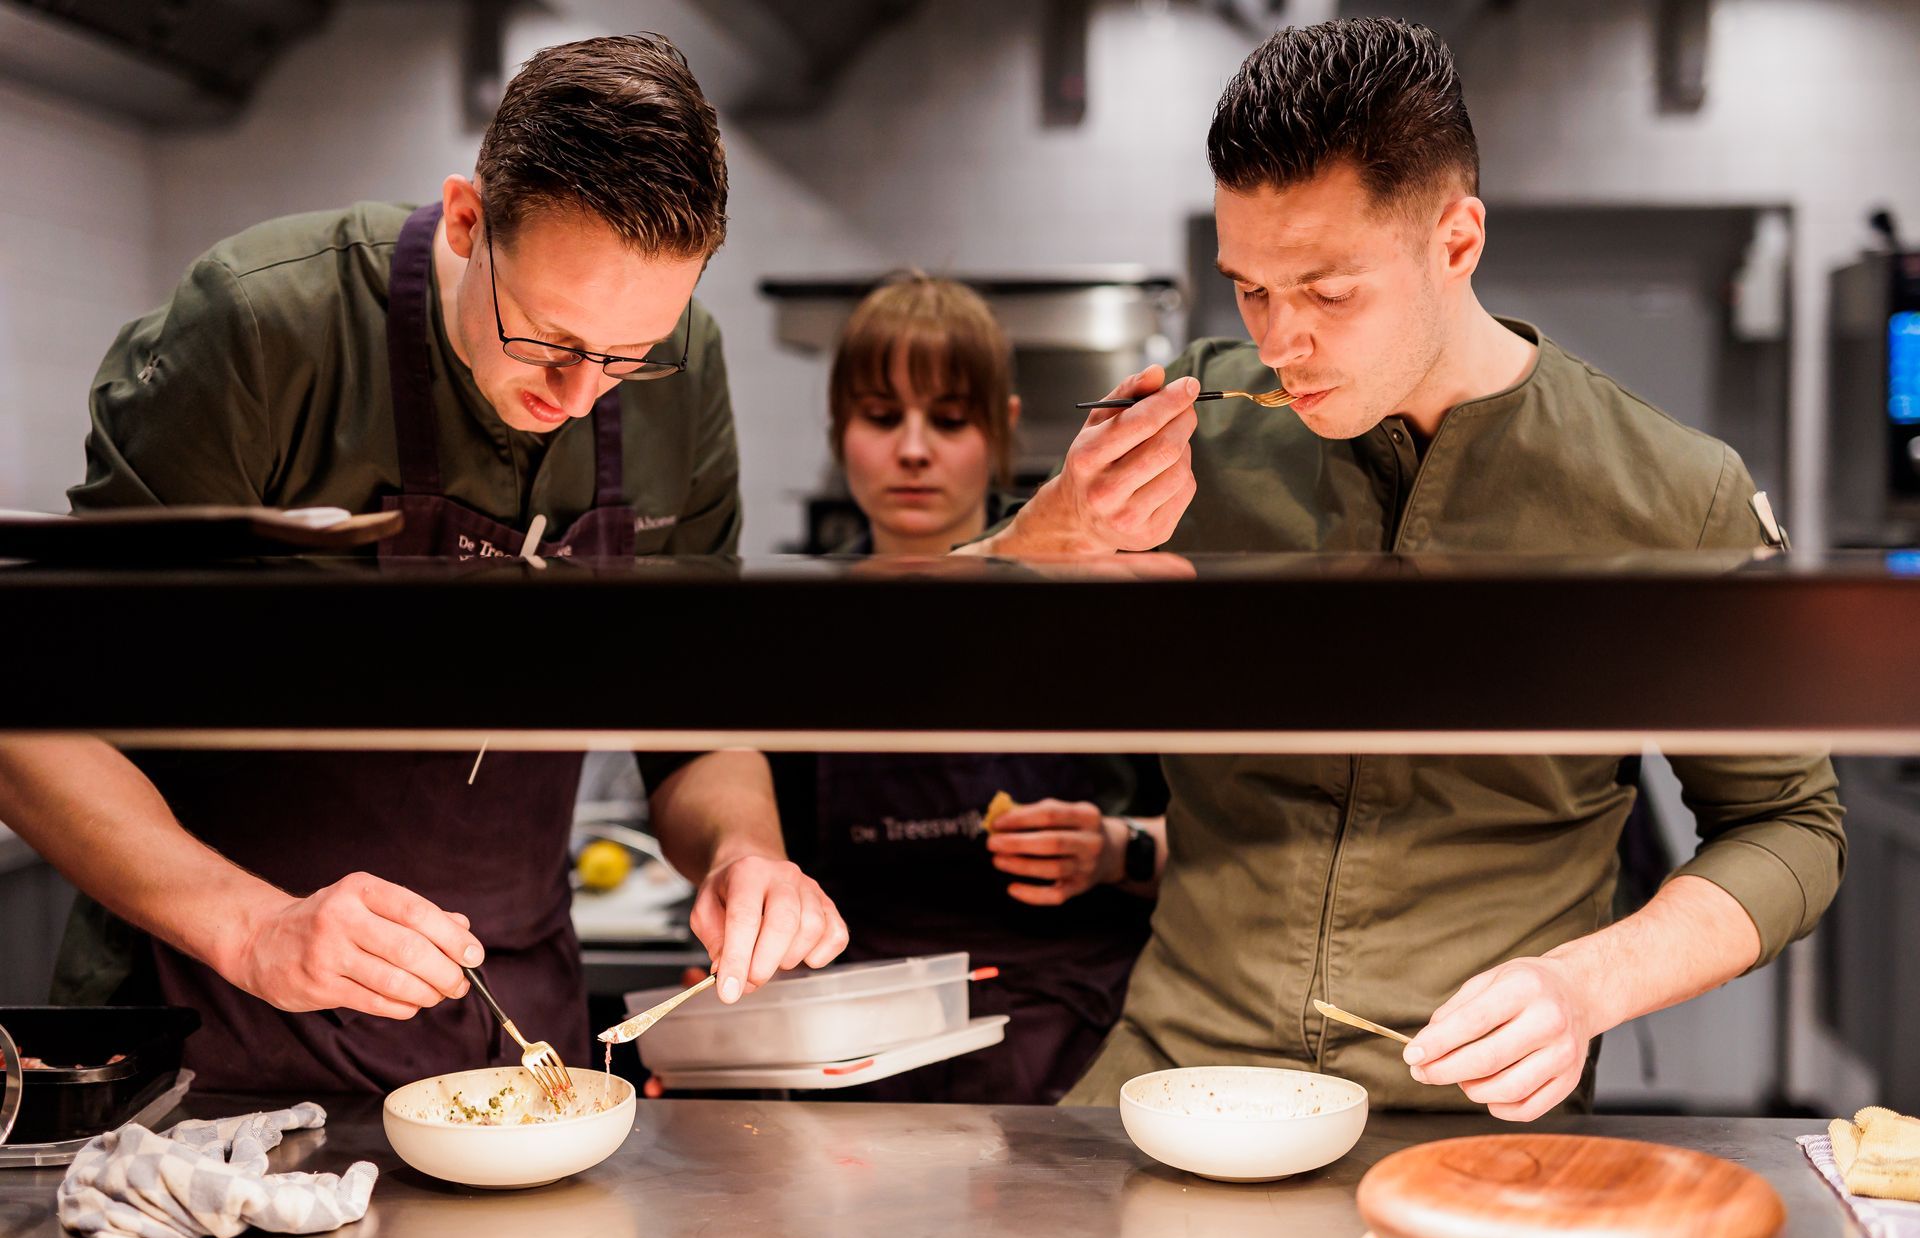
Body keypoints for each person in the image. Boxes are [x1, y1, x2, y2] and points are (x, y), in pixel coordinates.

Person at [966, 18, 1845, 1120]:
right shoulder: (1189, 432)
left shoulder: (1676, 491)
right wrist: (1039, 536)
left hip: (1464, 1102)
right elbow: (920, 650)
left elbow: (1791, 827)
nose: (1280, 342)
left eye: (1329, 293)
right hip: (1177, 1081)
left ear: (1457, 241)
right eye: (1250, 288)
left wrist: (1585, 986)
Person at [0, 34, 845, 1093]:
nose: (584, 394)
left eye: (628, 358)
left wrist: (740, 854)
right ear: (464, 218)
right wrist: (256, 927)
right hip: (209, 1041)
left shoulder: (688, 369)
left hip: (508, 1054)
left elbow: (693, 715)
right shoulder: (264, 329)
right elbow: (27, 715)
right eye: (548, 339)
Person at [749, 275, 1166, 1103]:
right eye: (880, 417)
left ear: (1002, 431)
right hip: (859, 1052)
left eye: (948, 420)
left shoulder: (1094, 608)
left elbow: (1206, 839)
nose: (913, 449)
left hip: (1065, 1051)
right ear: (839, 430)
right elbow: (761, 857)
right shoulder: (793, 630)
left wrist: (1115, 849)